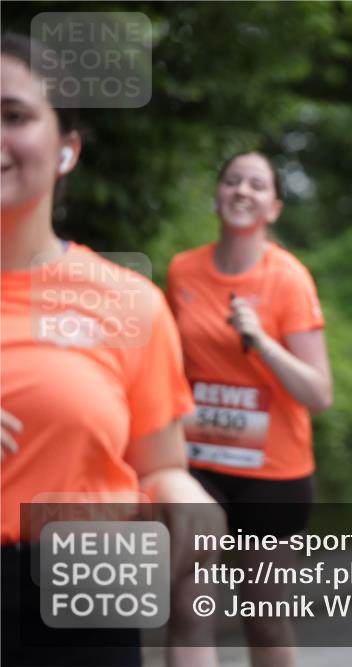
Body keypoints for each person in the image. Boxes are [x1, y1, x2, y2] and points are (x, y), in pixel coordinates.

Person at [1, 32, 222, 667]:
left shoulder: (130, 303)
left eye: (14, 115)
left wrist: (182, 496)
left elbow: (159, 466)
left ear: (67, 149)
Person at [166, 151, 332, 666]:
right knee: (188, 613)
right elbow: (168, 369)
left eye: (257, 185)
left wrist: (260, 339)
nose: (242, 190)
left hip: (272, 474)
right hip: (197, 465)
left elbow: (319, 394)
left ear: (274, 207)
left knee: (264, 620)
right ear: (218, 195)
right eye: (233, 180)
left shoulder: (289, 279)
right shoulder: (182, 271)